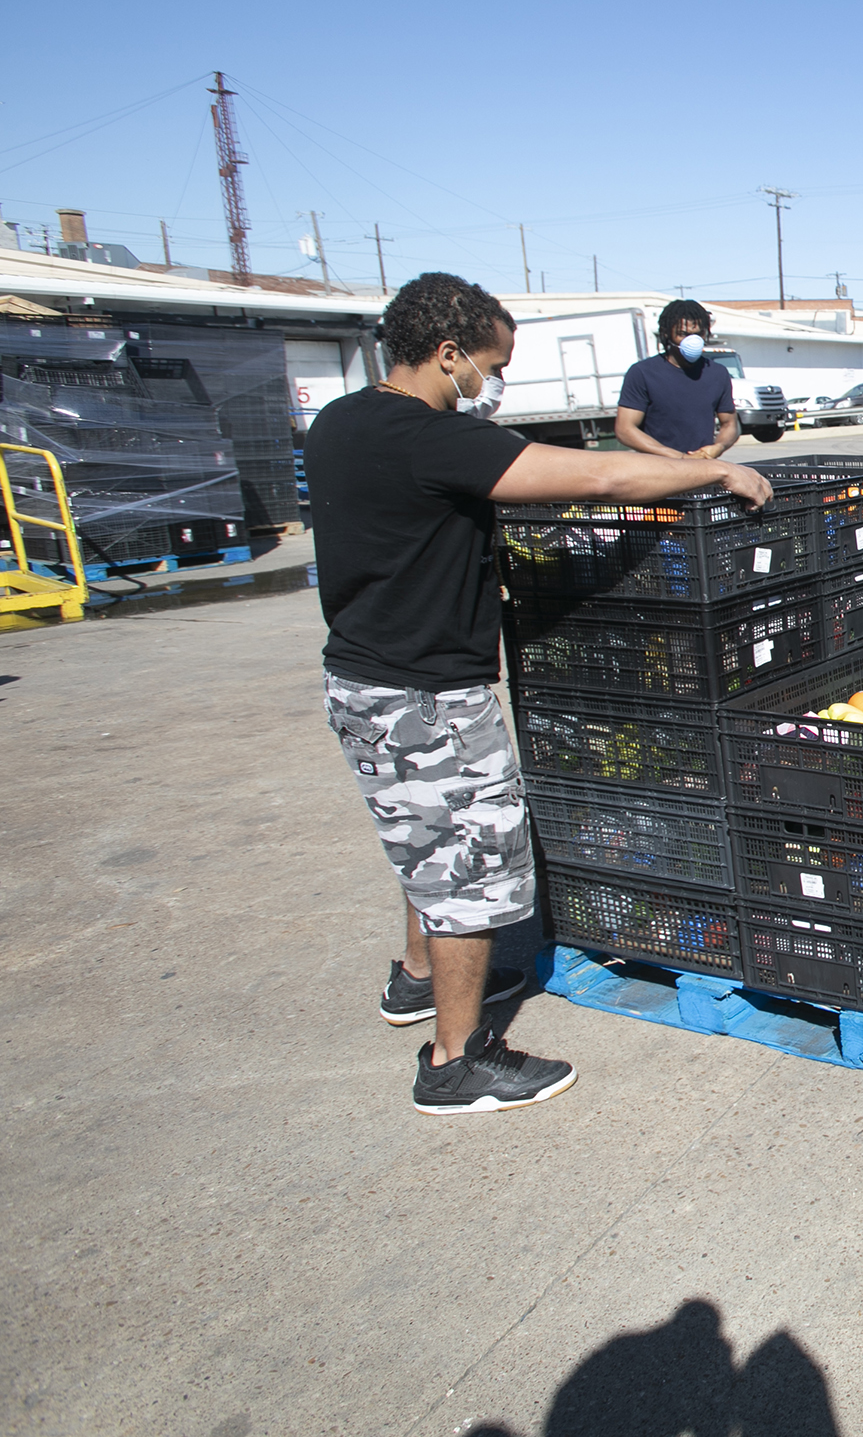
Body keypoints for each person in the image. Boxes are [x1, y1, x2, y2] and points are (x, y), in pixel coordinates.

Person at [310, 273, 772, 1115]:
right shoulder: (430, 438)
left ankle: (417, 978)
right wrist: (716, 476)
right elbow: (598, 480)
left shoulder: (340, 421)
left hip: (361, 678)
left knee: (423, 839)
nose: (491, 383)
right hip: (428, 695)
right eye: (489, 365)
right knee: (473, 868)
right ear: (447, 354)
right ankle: (455, 1059)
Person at [616, 299, 738, 460]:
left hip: (704, 469)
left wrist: (718, 447)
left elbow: (730, 424)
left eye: (698, 334)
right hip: (658, 472)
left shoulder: (718, 373)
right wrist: (677, 457)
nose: (692, 341)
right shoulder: (642, 373)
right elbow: (625, 429)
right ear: (666, 333)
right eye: (683, 334)